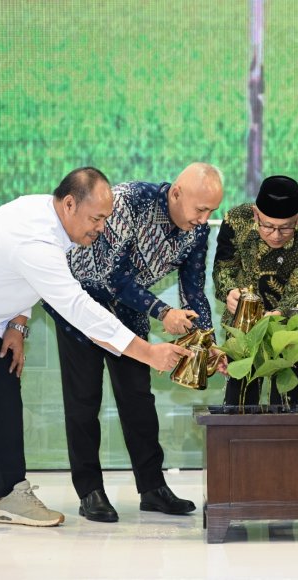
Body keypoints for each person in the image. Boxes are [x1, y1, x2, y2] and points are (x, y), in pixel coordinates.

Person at [0, 167, 189, 536]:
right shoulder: (35, 238)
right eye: (97, 218)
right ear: (70, 204)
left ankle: (9, 496)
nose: (102, 228)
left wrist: (17, 324)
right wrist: (149, 353)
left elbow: (15, 275)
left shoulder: (52, 219)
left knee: (3, 385)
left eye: (106, 218)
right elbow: (76, 307)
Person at [42, 162, 223, 524]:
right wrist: (162, 311)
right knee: (83, 399)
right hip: (82, 304)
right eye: (200, 210)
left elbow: (193, 290)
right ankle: (89, 490)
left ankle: (152, 488)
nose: (204, 219)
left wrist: (207, 342)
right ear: (176, 194)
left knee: (138, 399)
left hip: (128, 308)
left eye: (211, 213)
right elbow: (111, 275)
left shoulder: (196, 230)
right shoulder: (129, 201)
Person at [212, 175, 298, 406]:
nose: (275, 235)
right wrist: (230, 291)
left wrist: (278, 316)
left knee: (287, 403)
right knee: (239, 404)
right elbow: (223, 269)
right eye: (268, 225)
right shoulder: (236, 220)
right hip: (244, 328)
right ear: (255, 214)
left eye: (285, 228)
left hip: (290, 330)